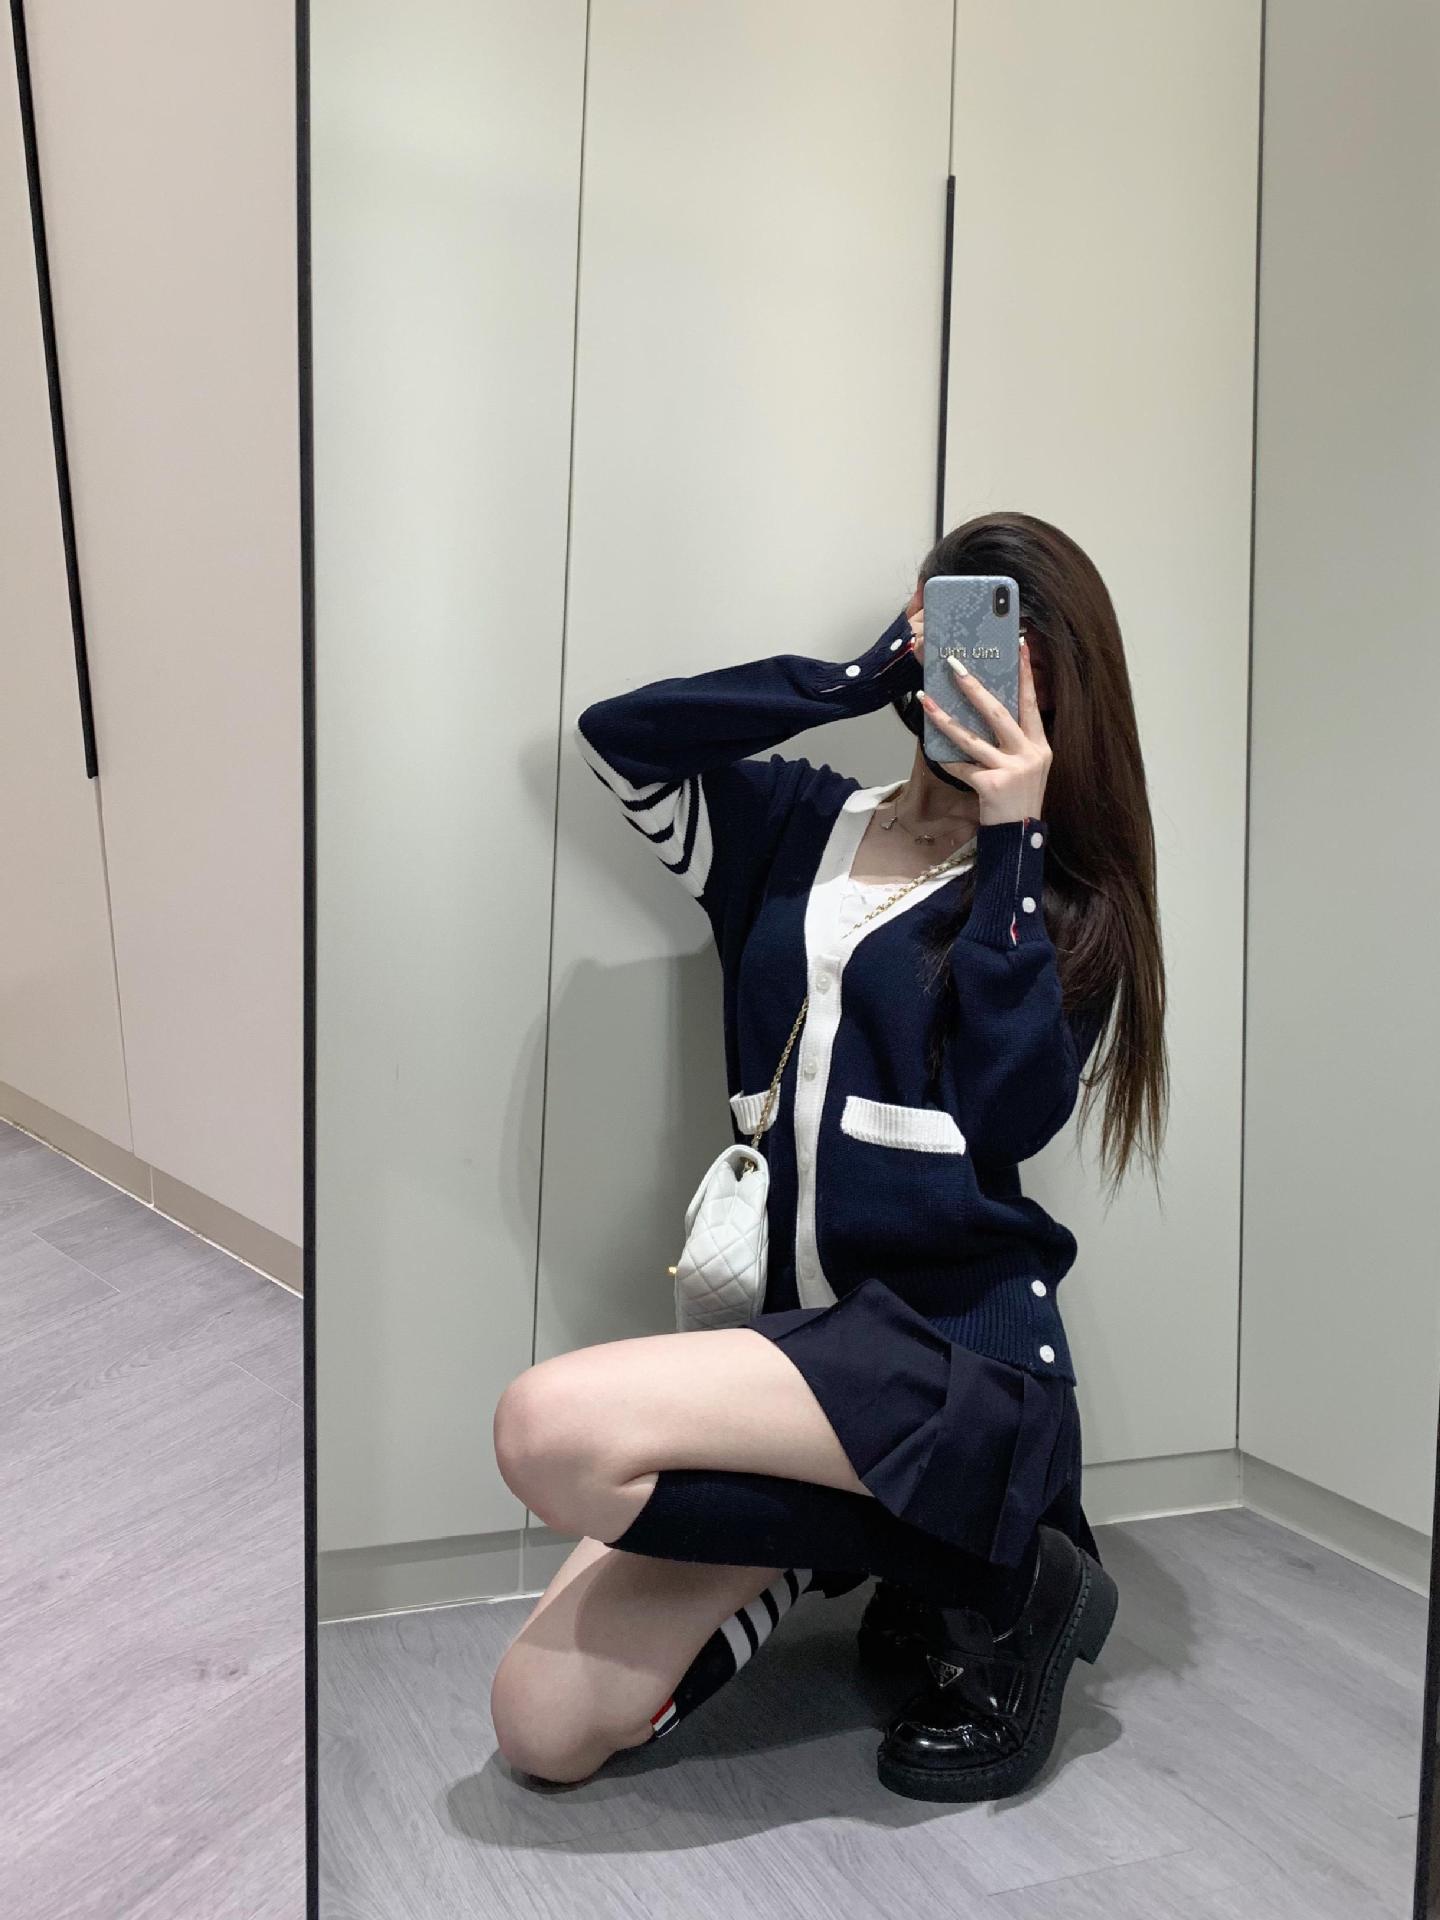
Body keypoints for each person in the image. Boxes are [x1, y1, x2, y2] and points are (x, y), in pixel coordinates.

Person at [490, 509, 1167, 1803]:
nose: (965, 676)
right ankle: (966, 1555)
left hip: (953, 1360)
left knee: (546, 1430)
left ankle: (990, 1552)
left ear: (1061, 690)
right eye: (944, 636)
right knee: (540, 1722)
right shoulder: (792, 824)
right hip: (792, 1371)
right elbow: (621, 740)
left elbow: (1008, 1116)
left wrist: (1013, 837)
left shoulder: (1062, 903)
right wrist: (851, 680)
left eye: (1002, 657)